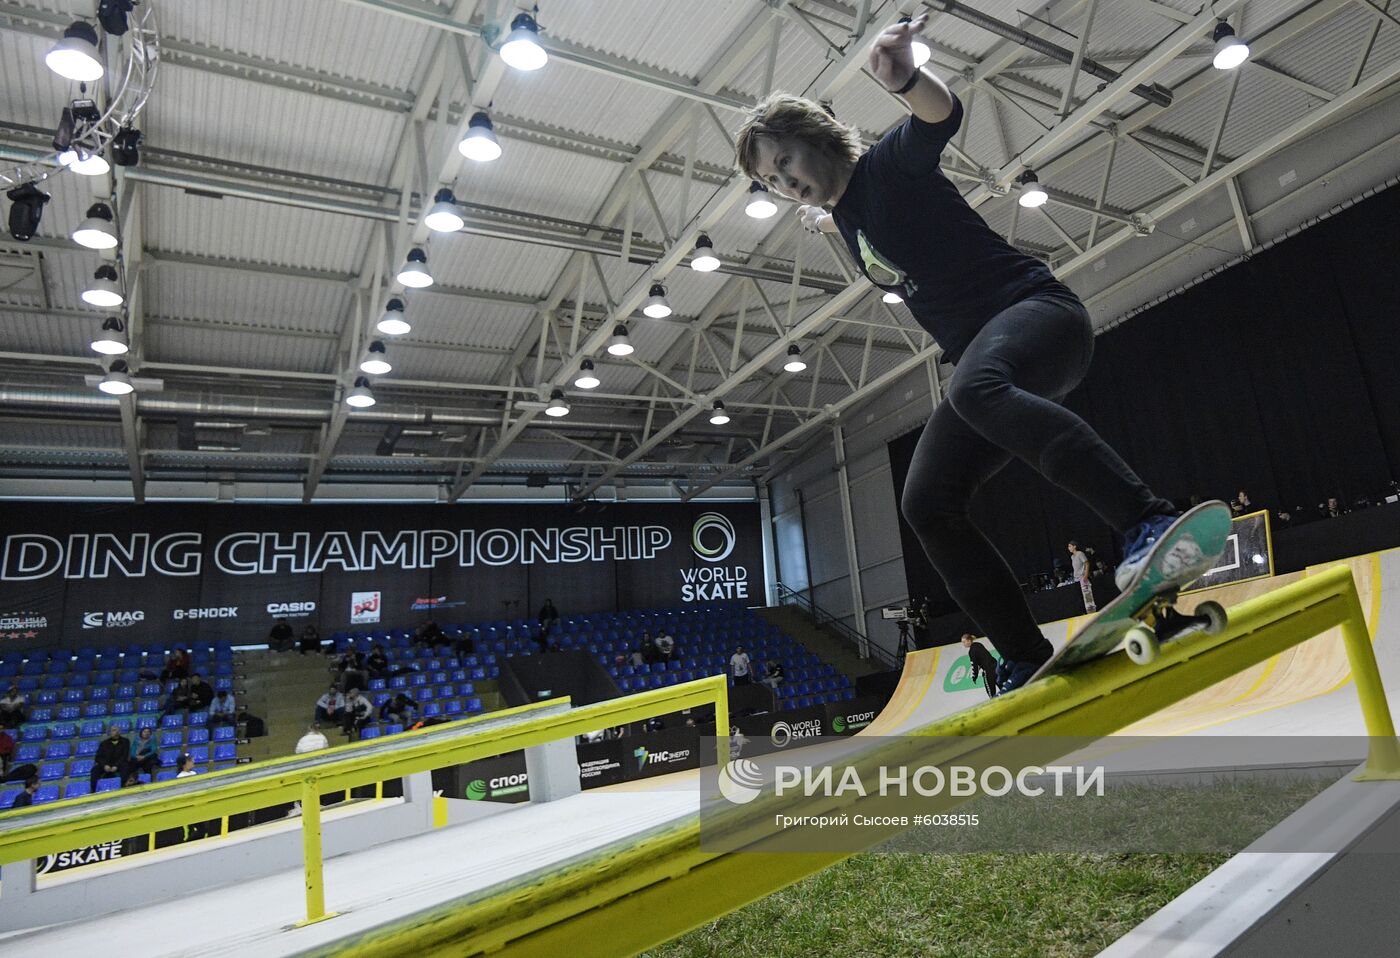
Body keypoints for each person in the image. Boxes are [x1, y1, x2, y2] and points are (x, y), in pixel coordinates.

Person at [735, 13, 1193, 695]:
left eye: (785, 163)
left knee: (974, 391)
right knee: (927, 503)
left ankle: (1147, 519)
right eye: (772, 182)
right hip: (995, 356)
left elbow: (936, 120)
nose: (783, 183)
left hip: (1038, 318)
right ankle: (1022, 654)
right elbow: (857, 215)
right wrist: (827, 215)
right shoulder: (852, 212)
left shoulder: (889, 166)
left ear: (813, 138)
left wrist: (907, 79)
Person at [91, 724, 129, 791]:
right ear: (109, 732)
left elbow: (125, 755)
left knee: (126, 767)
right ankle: (93, 790)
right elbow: (98, 757)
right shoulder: (104, 743)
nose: (116, 732)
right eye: (114, 730)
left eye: (118, 730)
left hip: (119, 764)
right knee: (95, 770)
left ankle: (123, 787)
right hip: (106, 765)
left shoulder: (125, 741)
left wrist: (116, 766)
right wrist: (105, 765)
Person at [962, 633, 1000, 699]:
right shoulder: (978, 644)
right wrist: (980, 665)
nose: (963, 644)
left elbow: (974, 666)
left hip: (988, 671)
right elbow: (984, 657)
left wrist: (974, 677)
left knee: (991, 692)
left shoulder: (971, 651)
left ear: (969, 641)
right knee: (1001, 684)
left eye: (964, 642)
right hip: (995, 666)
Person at [1068, 541, 1096, 613]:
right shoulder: (1072, 557)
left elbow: (1087, 563)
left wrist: (1086, 575)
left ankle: (1091, 611)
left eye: (1070, 546)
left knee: (1087, 595)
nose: (1069, 548)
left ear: (1075, 546)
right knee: (1081, 597)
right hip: (1076, 579)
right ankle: (1085, 612)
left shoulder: (1080, 553)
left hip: (1082, 577)